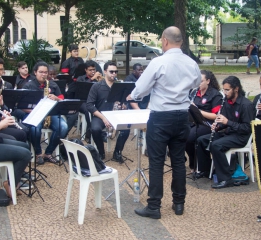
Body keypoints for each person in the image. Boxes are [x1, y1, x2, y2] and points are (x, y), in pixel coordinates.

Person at [127, 26, 201, 219]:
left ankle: (154, 206)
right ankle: (179, 203)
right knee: (178, 160)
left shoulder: (158, 62)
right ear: (181, 42)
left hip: (161, 117)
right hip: (182, 116)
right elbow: (196, 86)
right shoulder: (192, 63)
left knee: (157, 161)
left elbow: (141, 88)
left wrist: (132, 95)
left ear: (165, 41)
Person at [196, 76, 254, 189]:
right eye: (224, 90)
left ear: (236, 89)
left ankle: (226, 179)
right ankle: (206, 170)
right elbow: (224, 122)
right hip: (229, 133)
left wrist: (228, 122)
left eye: (227, 90)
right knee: (201, 140)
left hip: (241, 137)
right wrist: (217, 126)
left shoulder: (246, 105)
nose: (225, 92)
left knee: (216, 145)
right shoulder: (226, 102)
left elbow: (247, 128)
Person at [23, 62, 68, 164]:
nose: (44, 74)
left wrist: (56, 98)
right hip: (34, 113)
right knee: (34, 129)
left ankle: (48, 153)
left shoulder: (52, 84)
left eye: (45, 72)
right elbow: (22, 106)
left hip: (51, 114)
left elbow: (62, 99)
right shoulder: (28, 85)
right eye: (41, 72)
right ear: (35, 72)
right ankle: (38, 153)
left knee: (63, 127)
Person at [86, 61, 130, 162]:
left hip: (116, 115)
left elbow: (125, 102)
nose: (114, 74)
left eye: (116, 71)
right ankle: (101, 152)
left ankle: (117, 152)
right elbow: (89, 105)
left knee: (127, 128)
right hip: (100, 115)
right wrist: (103, 117)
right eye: (111, 72)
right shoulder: (97, 86)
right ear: (105, 72)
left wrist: (124, 105)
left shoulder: (120, 86)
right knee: (95, 129)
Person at [186, 70, 222, 175]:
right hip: (193, 121)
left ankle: (197, 164)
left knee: (189, 137)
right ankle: (193, 162)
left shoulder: (215, 95)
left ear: (208, 81)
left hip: (208, 124)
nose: (199, 84)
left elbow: (216, 116)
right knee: (180, 134)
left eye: (201, 81)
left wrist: (198, 111)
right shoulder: (194, 92)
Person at [76, 60, 102, 141]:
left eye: (94, 69)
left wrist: (101, 82)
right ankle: (89, 133)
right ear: (86, 70)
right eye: (90, 70)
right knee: (89, 110)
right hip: (83, 102)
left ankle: (101, 132)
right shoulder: (80, 79)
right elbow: (83, 90)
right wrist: (92, 79)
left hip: (95, 101)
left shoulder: (98, 79)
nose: (93, 72)